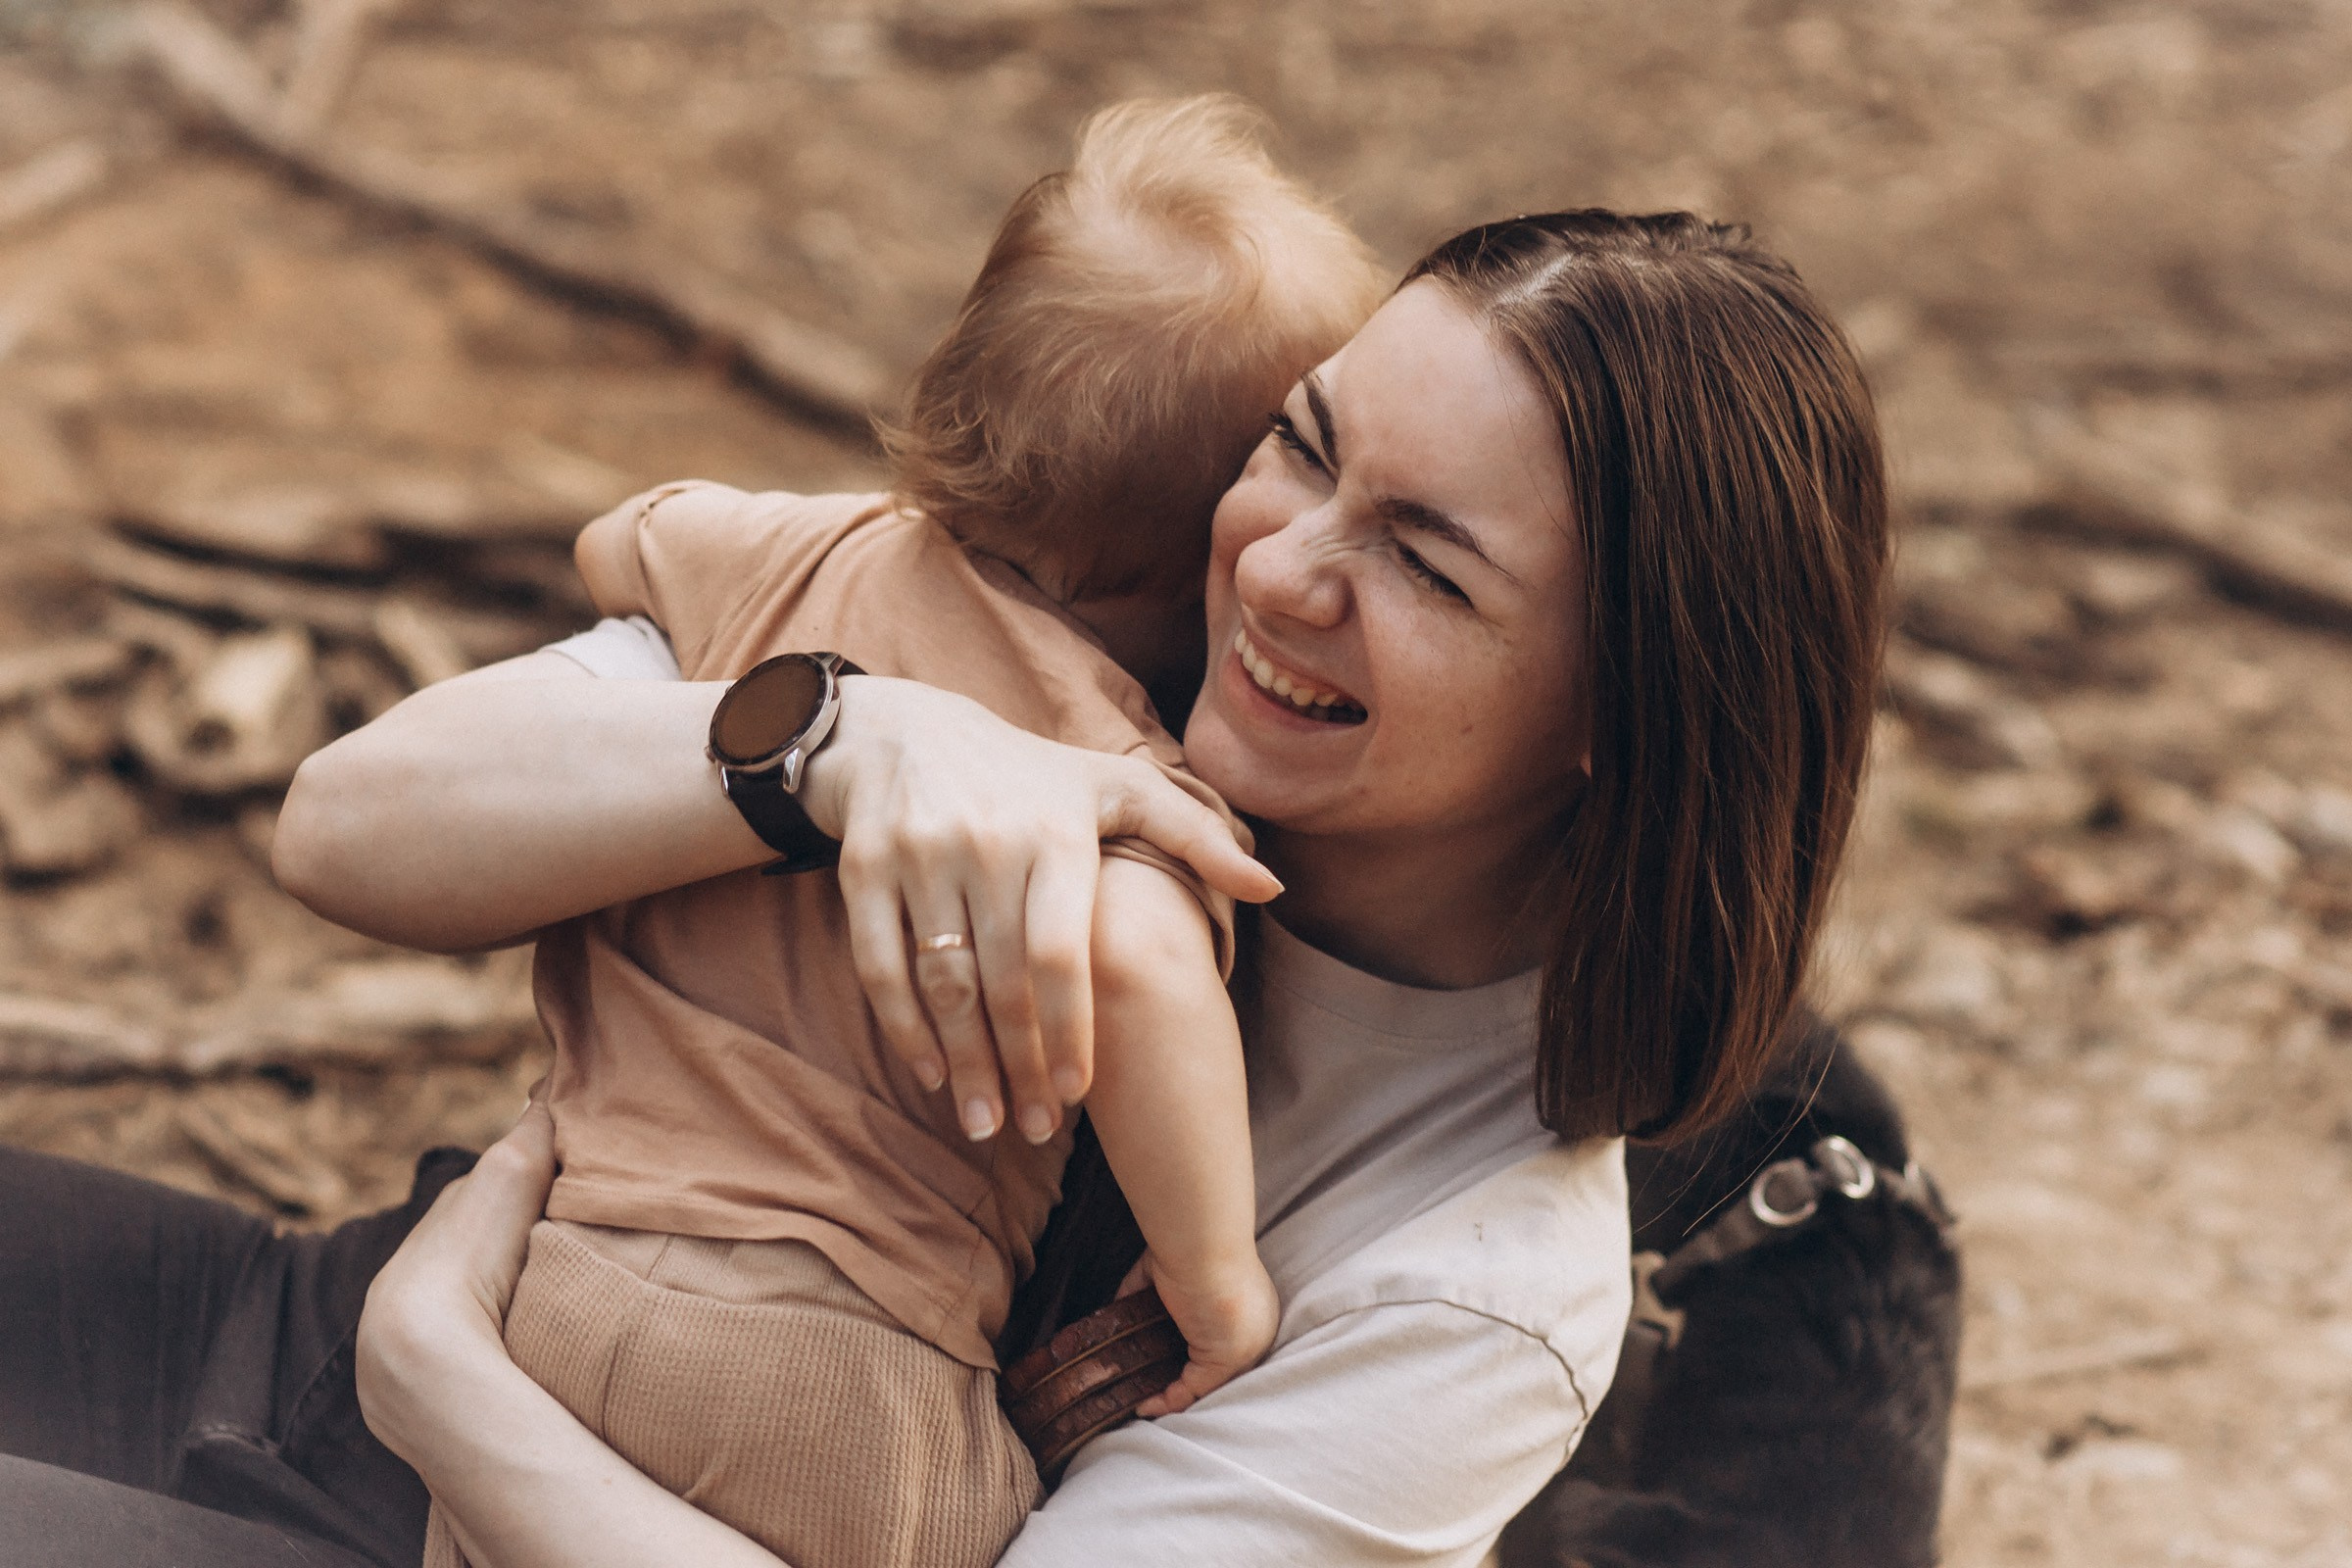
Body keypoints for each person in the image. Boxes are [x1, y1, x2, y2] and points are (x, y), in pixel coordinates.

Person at [0, 207, 1886, 1568]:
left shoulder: (1467, 1285)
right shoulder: (1132, 639)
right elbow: (353, 823)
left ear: (1618, 719)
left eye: (1428, 564)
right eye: (1299, 449)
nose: (1283, 571)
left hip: (508, 1464)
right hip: (319, 1327)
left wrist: (445, 1391)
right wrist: (845, 745)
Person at [293, 95, 1381, 1568]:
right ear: (1218, 542)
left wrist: (751, 587)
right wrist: (1216, 1277)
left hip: (565, 1289)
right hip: (849, 1365)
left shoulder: (779, 554)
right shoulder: (1108, 760)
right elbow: (1133, 967)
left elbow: (620, 537)